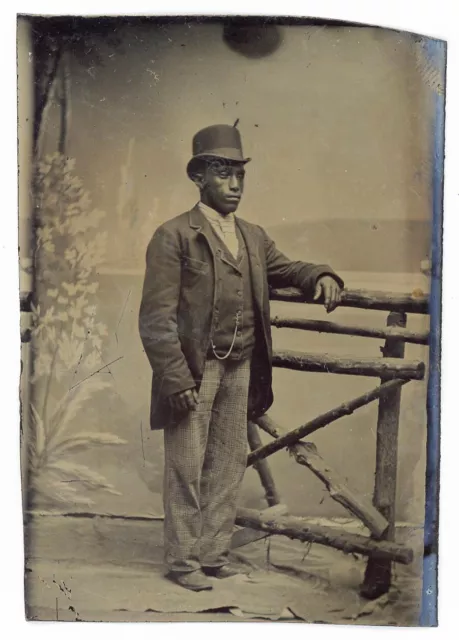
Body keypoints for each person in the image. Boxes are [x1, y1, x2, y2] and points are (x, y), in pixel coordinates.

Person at [139, 124, 344, 591]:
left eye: (239, 175)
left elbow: (289, 269)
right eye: (222, 173)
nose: (234, 184)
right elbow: (155, 319)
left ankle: (213, 555)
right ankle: (183, 561)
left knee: (229, 462)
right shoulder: (173, 235)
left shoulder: (253, 237)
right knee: (186, 467)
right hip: (195, 370)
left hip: (242, 368)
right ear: (198, 178)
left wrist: (323, 274)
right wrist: (176, 378)